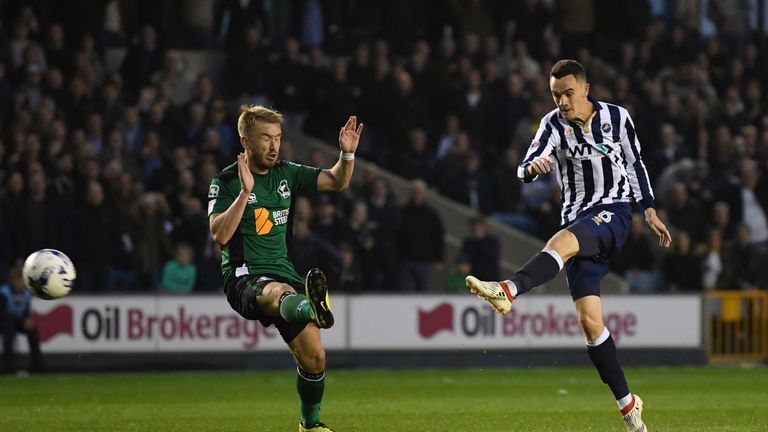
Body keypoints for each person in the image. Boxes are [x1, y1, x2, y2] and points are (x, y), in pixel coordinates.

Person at [466, 60, 672, 432]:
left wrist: (650, 210)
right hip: (578, 220)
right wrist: (535, 167)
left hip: (614, 212)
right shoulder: (551, 125)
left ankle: (507, 289)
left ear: (586, 89)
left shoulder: (618, 118)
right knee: (591, 324)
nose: (562, 102)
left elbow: (635, 162)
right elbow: (522, 166)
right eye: (555, 95)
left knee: (560, 243)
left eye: (568, 94)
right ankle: (630, 409)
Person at [208, 105, 362, 432]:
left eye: (278, 137)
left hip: (285, 273)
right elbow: (219, 235)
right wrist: (245, 191)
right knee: (279, 293)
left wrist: (346, 156)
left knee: (315, 358)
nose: (274, 145)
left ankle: (309, 425)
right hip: (244, 277)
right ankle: (310, 306)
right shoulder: (225, 182)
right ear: (245, 141)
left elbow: (336, 181)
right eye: (266, 138)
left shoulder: (286, 173)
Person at [1, 266, 44, 374]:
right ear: (12, 280)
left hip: (17, 321)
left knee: (32, 330)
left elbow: (25, 311)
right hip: (4, 321)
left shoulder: (26, 293)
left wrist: (27, 320)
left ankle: (38, 365)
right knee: (9, 331)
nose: (20, 283)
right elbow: (2, 314)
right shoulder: (4, 293)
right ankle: (8, 367)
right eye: (17, 280)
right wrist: (21, 320)